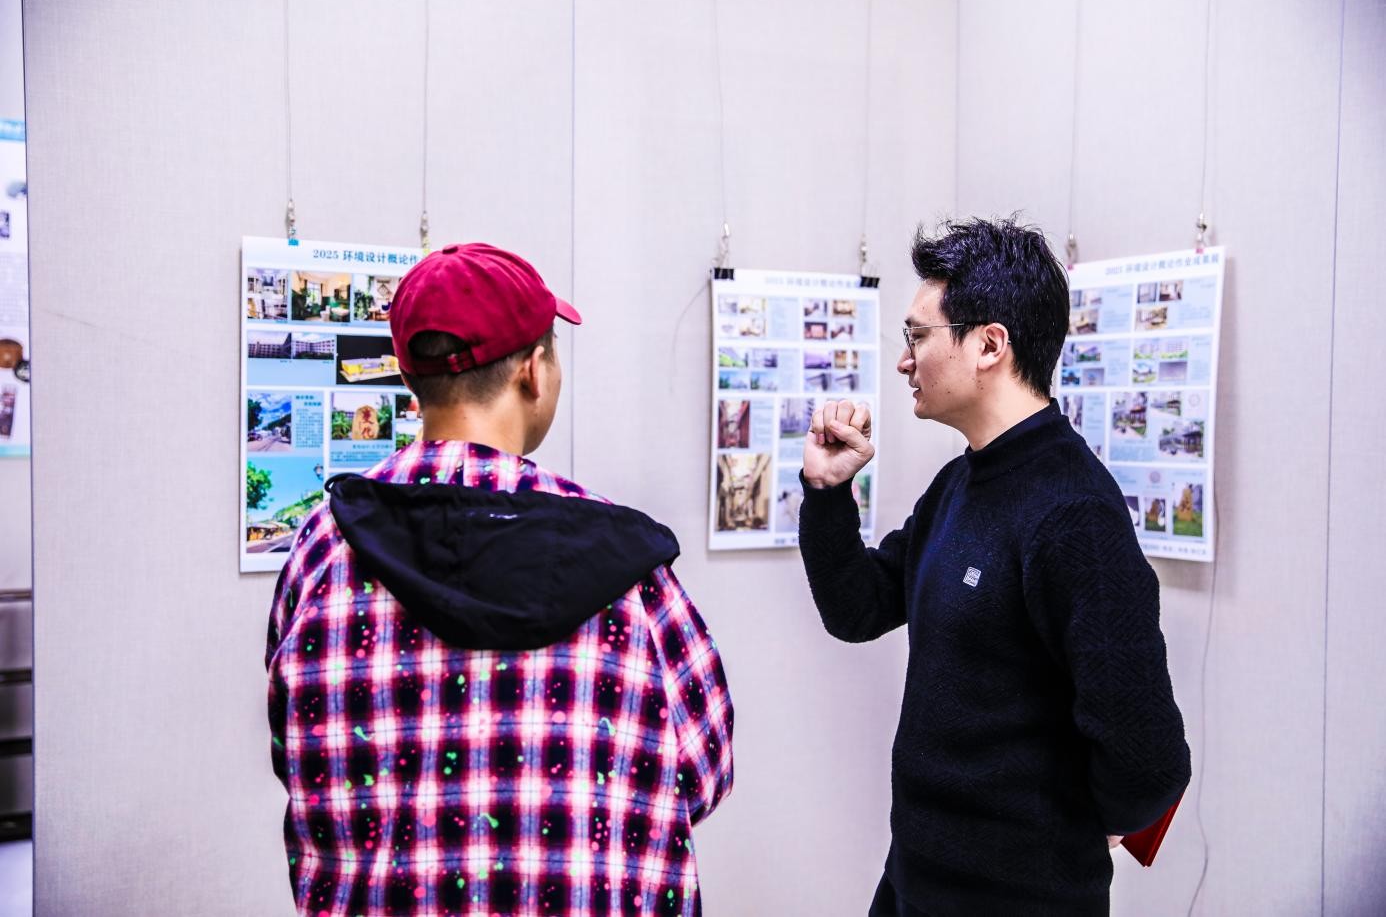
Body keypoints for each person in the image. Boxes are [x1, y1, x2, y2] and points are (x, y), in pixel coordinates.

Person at [266, 243, 734, 916]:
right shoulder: (632, 571)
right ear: (533, 371)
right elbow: (706, 770)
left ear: (410, 376)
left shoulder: (323, 548)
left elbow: (294, 753)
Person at [797, 218, 1190, 916]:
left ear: (988, 345)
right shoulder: (960, 483)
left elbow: (1147, 758)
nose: (904, 360)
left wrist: (1071, 829)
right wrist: (828, 492)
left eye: (918, 336)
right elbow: (858, 608)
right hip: (915, 880)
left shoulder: (1074, 512)